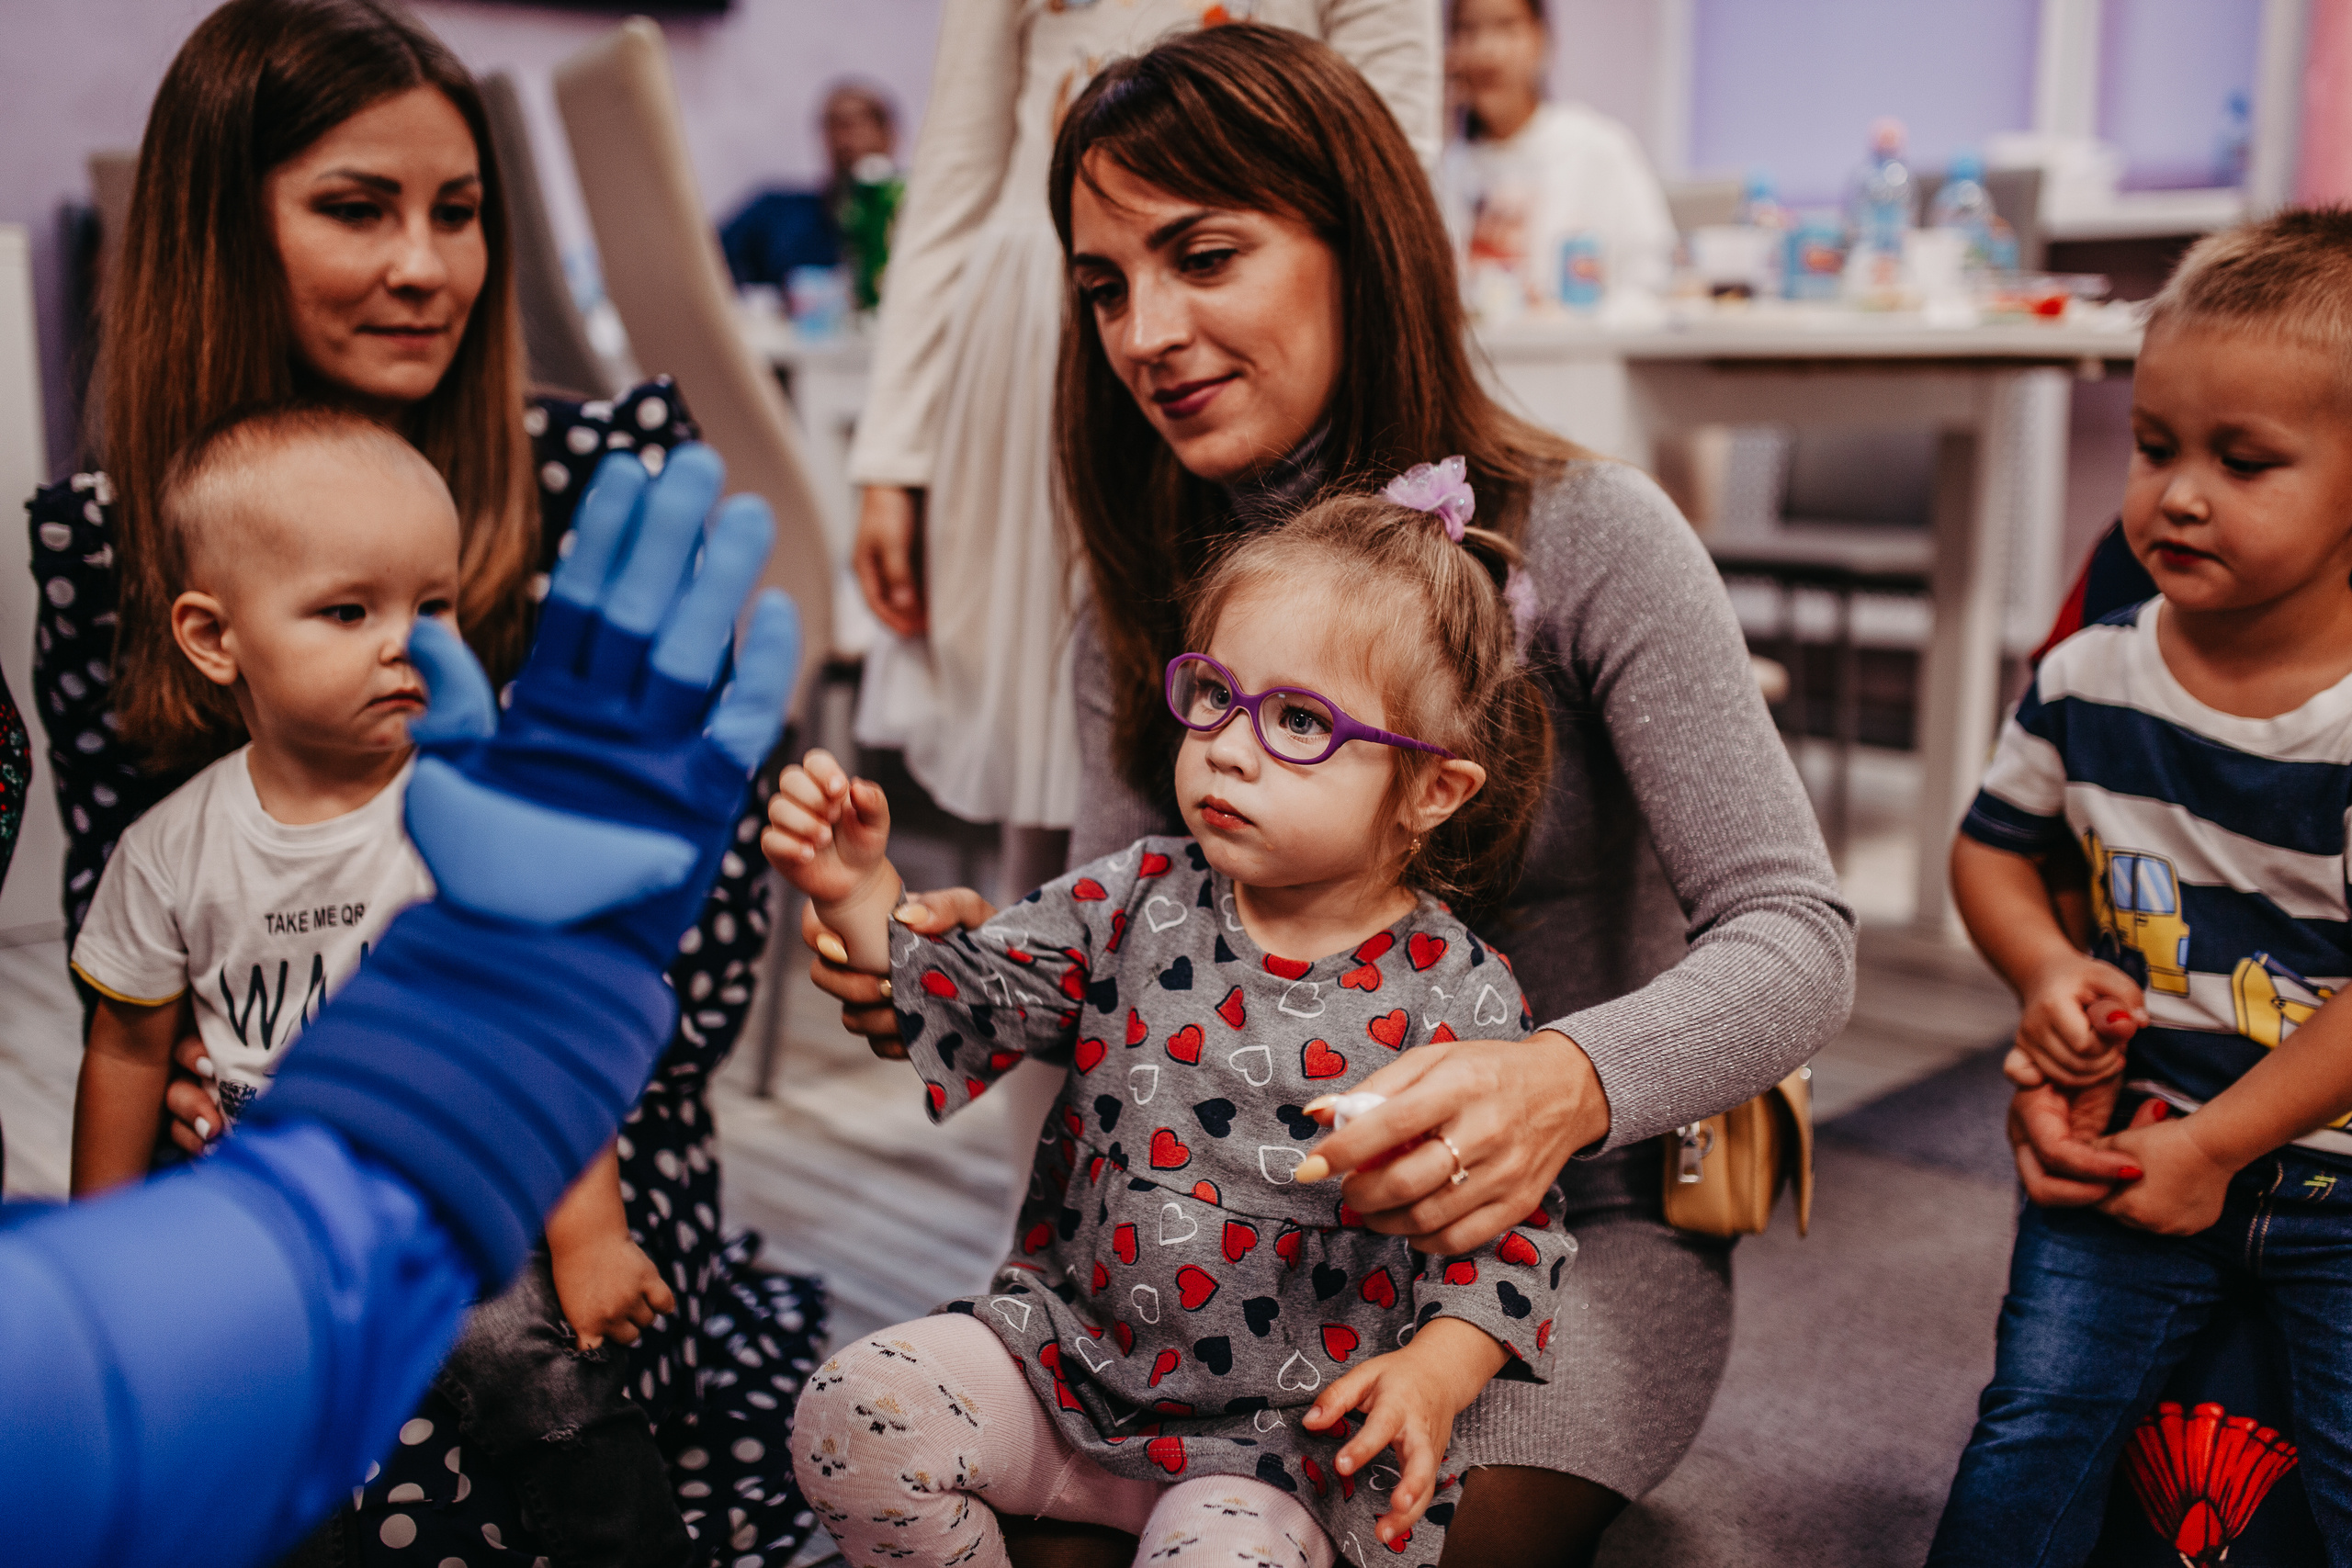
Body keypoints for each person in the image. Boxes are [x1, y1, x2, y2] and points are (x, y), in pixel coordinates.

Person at [807, 25, 1856, 1566]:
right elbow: (1107, 985)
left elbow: (1802, 933)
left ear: (1357, 245)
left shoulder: (1595, 540)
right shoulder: (1140, 595)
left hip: (1538, 1257)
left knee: (1360, 1540)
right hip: (1204, 1260)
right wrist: (930, 962)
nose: (1147, 330)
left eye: (1205, 256)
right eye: (1104, 285)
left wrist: (1559, 1081)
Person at [23, 2, 822, 1559]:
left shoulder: (604, 479)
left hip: (578, 1136)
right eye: (355, 206)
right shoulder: (109, 543)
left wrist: (477, 1080)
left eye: (460, 212)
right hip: (263, 1153)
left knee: (540, 1439)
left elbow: (695, 965)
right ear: (220, 227)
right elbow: (132, 961)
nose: (425, 265)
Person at [1, 444, 800, 1568]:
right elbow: (127, 1053)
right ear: (212, 636)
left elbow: (536, 1048)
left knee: (539, 1370)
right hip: (265, 1196)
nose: (405, 642)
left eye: (433, 605)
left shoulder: (461, 815)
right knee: (266, 1451)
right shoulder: (170, 849)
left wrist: (593, 1236)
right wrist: (113, 1233)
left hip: (455, 1196)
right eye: (344, 610)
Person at [775, 483, 1570, 1568]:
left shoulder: (1459, 994)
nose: (1232, 749)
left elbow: (1507, 1237)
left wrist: (1435, 1373)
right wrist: (858, 889)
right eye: (1217, 696)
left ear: (1432, 787)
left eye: (1298, 721)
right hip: (1063, 1369)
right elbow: (969, 994)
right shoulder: (1138, 893)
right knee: (851, 1411)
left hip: (1278, 1443)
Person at [1930, 209, 2352, 1564]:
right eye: (2155, 444)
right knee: (2028, 1440)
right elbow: (1992, 845)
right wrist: (2046, 967)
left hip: (2335, 1181)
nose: (2176, 493)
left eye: (2245, 461)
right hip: (2132, 1133)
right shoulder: (2087, 675)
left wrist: (2224, 1150)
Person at [845, 0, 1442, 906]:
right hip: (1046, 309)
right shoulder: (1122, 320)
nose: (1148, 336)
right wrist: (895, 450)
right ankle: (1040, 987)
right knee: (1072, 720)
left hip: (1263, 252)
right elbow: (957, 162)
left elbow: (1388, 120)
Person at [1437, 0, 1676, 310]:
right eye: (1467, 30)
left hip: (1579, 353)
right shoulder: (1445, 168)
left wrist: (1580, 321)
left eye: (1506, 27)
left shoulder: (1598, 149)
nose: (1486, 50)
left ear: (1542, 39)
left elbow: (1655, 278)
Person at [720, 83, 899, 290]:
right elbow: (703, 258)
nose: (847, 138)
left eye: (861, 121)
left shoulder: (912, 221)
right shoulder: (775, 215)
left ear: (889, 136)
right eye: (836, 124)